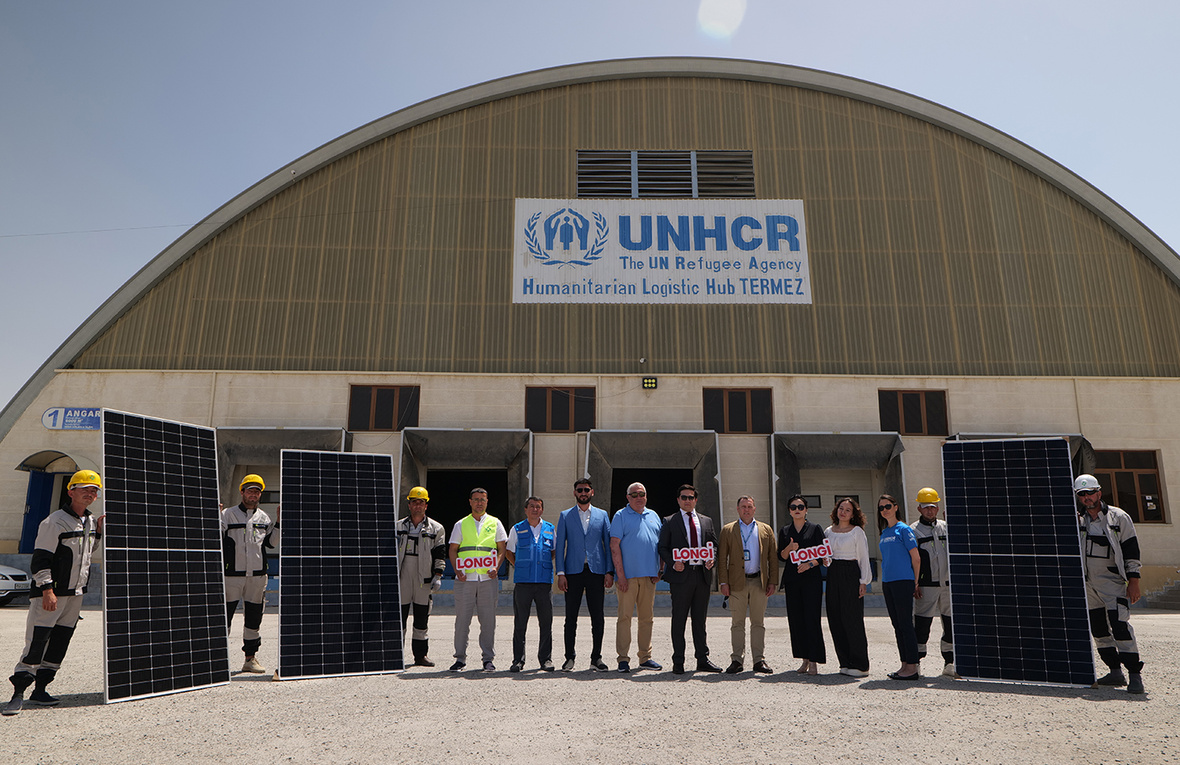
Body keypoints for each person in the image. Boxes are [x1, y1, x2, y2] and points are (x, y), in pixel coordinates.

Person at [3, 470, 103, 716]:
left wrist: (99, 532)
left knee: (60, 642)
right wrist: (47, 590)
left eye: (94, 490)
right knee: (37, 641)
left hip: (75, 595)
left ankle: (41, 690)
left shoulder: (89, 521)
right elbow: (41, 559)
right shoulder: (54, 521)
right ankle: (18, 695)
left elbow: (88, 554)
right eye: (84, 489)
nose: (90, 494)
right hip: (51, 595)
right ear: (71, 492)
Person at [1075, 474, 1145, 694]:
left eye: (1090, 493)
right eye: (1082, 495)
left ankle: (1134, 675)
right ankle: (1114, 671)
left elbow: (1131, 550)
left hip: (1113, 581)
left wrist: (1133, 582)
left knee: (1120, 627)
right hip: (1088, 584)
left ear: (1099, 492)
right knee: (1098, 628)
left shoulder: (1118, 518)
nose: (1087, 498)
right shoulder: (1077, 519)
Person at [657, 484, 722, 675]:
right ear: (678, 500)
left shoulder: (707, 521)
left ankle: (702, 659)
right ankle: (678, 661)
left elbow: (714, 545)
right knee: (679, 620)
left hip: (701, 576)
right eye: (684, 497)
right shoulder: (669, 521)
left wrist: (712, 558)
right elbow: (662, 547)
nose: (687, 500)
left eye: (691, 497)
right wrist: (672, 563)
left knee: (700, 621)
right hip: (680, 577)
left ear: (696, 500)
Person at [555, 478, 614, 671]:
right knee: (570, 617)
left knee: (598, 616)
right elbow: (560, 544)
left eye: (586, 490)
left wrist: (609, 571)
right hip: (572, 572)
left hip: (596, 571)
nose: (583, 493)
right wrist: (561, 572)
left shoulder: (602, 515)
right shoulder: (565, 516)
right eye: (579, 490)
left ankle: (596, 658)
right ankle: (569, 657)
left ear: (592, 492)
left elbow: (608, 543)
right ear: (574, 493)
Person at [222, 474, 279, 674]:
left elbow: (271, 543)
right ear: (242, 491)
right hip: (231, 576)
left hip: (257, 577)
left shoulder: (264, 518)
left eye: (257, 491)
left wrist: (280, 523)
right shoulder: (227, 515)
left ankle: (250, 658)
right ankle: (218, 659)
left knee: (253, 619)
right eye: (250, 490)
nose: (253, 495)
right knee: (223, 618)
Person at [448, 487, 507, 672]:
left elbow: (502, 549)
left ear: (487, 501)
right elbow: (452, 550)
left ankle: (488, 659)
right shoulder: (460, 524)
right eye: (476, 499)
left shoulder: (495, 523)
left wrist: (496, 567)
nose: (479, 502)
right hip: (465, 579)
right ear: (470, 502)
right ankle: (460, 659)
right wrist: (457, 571)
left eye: (482, 499)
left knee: (488, 621)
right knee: (462, 621)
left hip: (487, 580)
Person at [717, 495, 778, 674]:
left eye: (749, 506)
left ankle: (759, 661)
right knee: (737, 623)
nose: (746, 509)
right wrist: (723, 582)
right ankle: (737, 660)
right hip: (736, 584)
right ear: (737, 509)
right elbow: (722, 559)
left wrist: (773, 581)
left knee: (758, 623)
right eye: (743, 506)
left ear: (754, 508)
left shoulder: (765, 529)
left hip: (759, 582)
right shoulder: (728, 530)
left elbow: (772, 559)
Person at [609, 481, 664, 673]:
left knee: (646, 618)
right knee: (624, 618)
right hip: (628, 578)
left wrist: (661, 569)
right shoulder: (620, 516)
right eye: (634, 495)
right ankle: (623, 659)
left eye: (642, 494)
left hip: (650, 576)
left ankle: (645, 657)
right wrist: (621, 575)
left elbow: (661, 546)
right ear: (628, 498)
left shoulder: (654, 516)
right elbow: (614, 546)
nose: (639, 498)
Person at [396, 486, 447, 667]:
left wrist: (438, 574)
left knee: (421, 619)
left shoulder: (436, 528)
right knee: (398, 618)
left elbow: (440, 553)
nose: (418, 505)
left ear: (426, 505)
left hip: (423, 579)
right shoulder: (398, 526)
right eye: (414, 502)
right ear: (409, 504)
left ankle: (420, 656)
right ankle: (396, 655)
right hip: (401, 576)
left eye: (421, 502)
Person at [778, 494, 827, 675]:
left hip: (811, 580)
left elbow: (824, 555)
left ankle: (814, 660)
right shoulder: (785, 531)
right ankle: (804, 659)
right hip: (792, 580)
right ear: (789, 511)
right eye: (793, 507)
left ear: (806, 510)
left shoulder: (815, 529)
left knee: (812, 619)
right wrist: (789, 548)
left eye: (800, 507)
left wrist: (810, 564)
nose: (797, 510)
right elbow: (781, 556)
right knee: (796, 620)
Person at [505, 496, 556, 672]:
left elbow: (553, 551)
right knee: (520, 623)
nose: (535, 509)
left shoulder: (550, 528)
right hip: (523, 583)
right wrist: (520, 565)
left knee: (546, 622)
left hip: (543, 583)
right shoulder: (517, 529)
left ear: (542, 510)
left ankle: (545, 659)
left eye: (538, 507)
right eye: (532, 506)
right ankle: (518, 660)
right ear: (525, 509)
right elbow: (509, 551)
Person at [824, 497, 872, 678]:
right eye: (841, 508)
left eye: (847, 510)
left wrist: (863, 581)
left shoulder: (857, 532)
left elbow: (863, 557)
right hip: (833, 573)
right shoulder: (828, 531)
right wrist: (825, 561)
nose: (843, 512)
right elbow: (827, 556)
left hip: (851, 573)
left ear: (853, 514)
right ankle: (845, 661)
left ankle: (860, 665)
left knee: (852, 619)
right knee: (835, 617)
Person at [912, 487, 957, 679]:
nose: (930, 511)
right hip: (926, 587)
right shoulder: (913, 531)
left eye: (933, 507)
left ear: (937, 508)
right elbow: (912, 559)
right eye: (925, 507)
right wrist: (914, 584)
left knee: (950, 625)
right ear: (919, 509)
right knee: (922, 626)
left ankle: (949, 662)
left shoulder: (947, 527)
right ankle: (916, 663)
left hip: (948, 586)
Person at [877, 494, 921, 681]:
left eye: (888, 506)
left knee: (905, 624)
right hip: (888, 582)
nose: (884, 510)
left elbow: (916, 558)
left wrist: (916, 582)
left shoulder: (903, 530)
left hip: (903, 581)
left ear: (895, 507)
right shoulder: (885, 532)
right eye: (881, 508)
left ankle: (912, 666)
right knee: (897, 625)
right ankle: (904, 664)